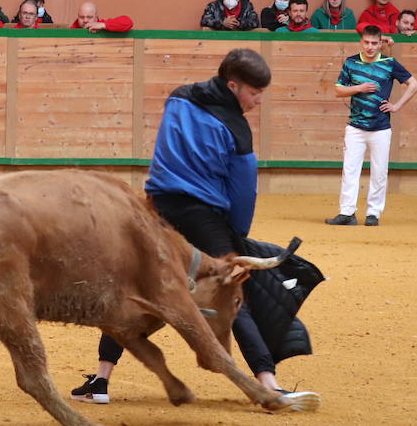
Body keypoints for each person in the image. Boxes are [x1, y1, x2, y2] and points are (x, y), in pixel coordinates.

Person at [72, 48, 318, 409]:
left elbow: (162, 151)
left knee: (137, 289)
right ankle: (269, 383)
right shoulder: (236, 129)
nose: (258, 101)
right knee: (230, 291)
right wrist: (236, 237)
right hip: (204, 217)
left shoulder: (178, 98)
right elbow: (242, 192)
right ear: (233, 86)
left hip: (158, 208)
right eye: (254, 93)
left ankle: (101, 380)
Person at [326, 25, 417, 227]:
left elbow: (414, 84)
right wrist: (359, 88)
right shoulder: (351, 62)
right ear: (361, 42)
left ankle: (373, 213)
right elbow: (338, 90)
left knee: (379, 171)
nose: (370, 47)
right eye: (366, 42)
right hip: (355, 126)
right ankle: (347, 212)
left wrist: (396, 106)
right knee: (350, 170)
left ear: (380, 43)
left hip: (380, 127)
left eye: (374, 43)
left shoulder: (389, 63)